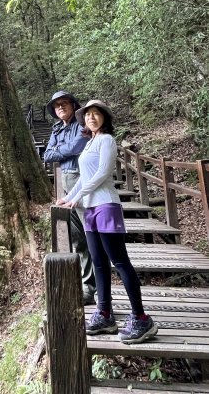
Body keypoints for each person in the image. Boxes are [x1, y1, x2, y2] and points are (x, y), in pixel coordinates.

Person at [57, 100, 158, 344]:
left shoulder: (107, 141)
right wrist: (69, 198)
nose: (92, 117)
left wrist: (78, 197)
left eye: (96, 114)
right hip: (90, 209)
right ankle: (104, 313)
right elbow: (84, 178)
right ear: (84, 120)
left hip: (106, 206)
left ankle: (141, 317)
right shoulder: (89, 143)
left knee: (120, 261)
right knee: (99, 263)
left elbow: (103, 173)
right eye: (88, 114)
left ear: (104, 118)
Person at [44, 90, 96, 305]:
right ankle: (87, 286)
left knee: (89, 232)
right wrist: (63, 150)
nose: (61, 107)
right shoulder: (57, 129)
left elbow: (77, 146)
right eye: (57, 105)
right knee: (77, 237)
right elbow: (47, 155)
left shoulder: (81, 126)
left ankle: (94, 287)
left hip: (80, 180)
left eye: (65, 103)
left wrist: (61, 149)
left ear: (73, 106)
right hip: (65, 182)